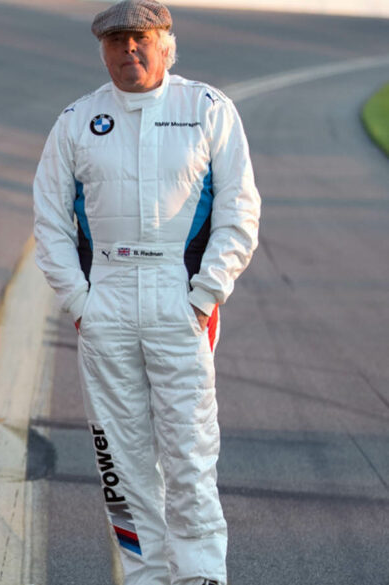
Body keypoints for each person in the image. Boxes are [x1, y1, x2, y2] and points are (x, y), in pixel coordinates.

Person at [32, 1, 260, 584]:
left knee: (189, 455)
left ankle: (200, 576)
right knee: (122, 460)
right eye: (116, 41)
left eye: (140, 39)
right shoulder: (77, 120)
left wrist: (205, 293)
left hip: (179, 297)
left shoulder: (208, 109)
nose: (128, 50)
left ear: (165, 44)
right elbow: (50, 222)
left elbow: (240, 214)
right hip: (105, 295)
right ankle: (146, 577)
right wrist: (79, 301)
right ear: (102, 49)